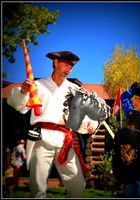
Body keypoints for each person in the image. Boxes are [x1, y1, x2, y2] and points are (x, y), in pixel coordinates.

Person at [7, 51, 98, 198]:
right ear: (55, 63)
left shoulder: (74, 90)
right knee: (38, 187)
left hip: (65, 141)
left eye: (72, 66)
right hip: (41, 138)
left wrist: (91, 123)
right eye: (66, 65)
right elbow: (18, 105)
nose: (69, 69)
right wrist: (23, 91)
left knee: (77, 183)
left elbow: (84, 114)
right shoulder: (38, 85)